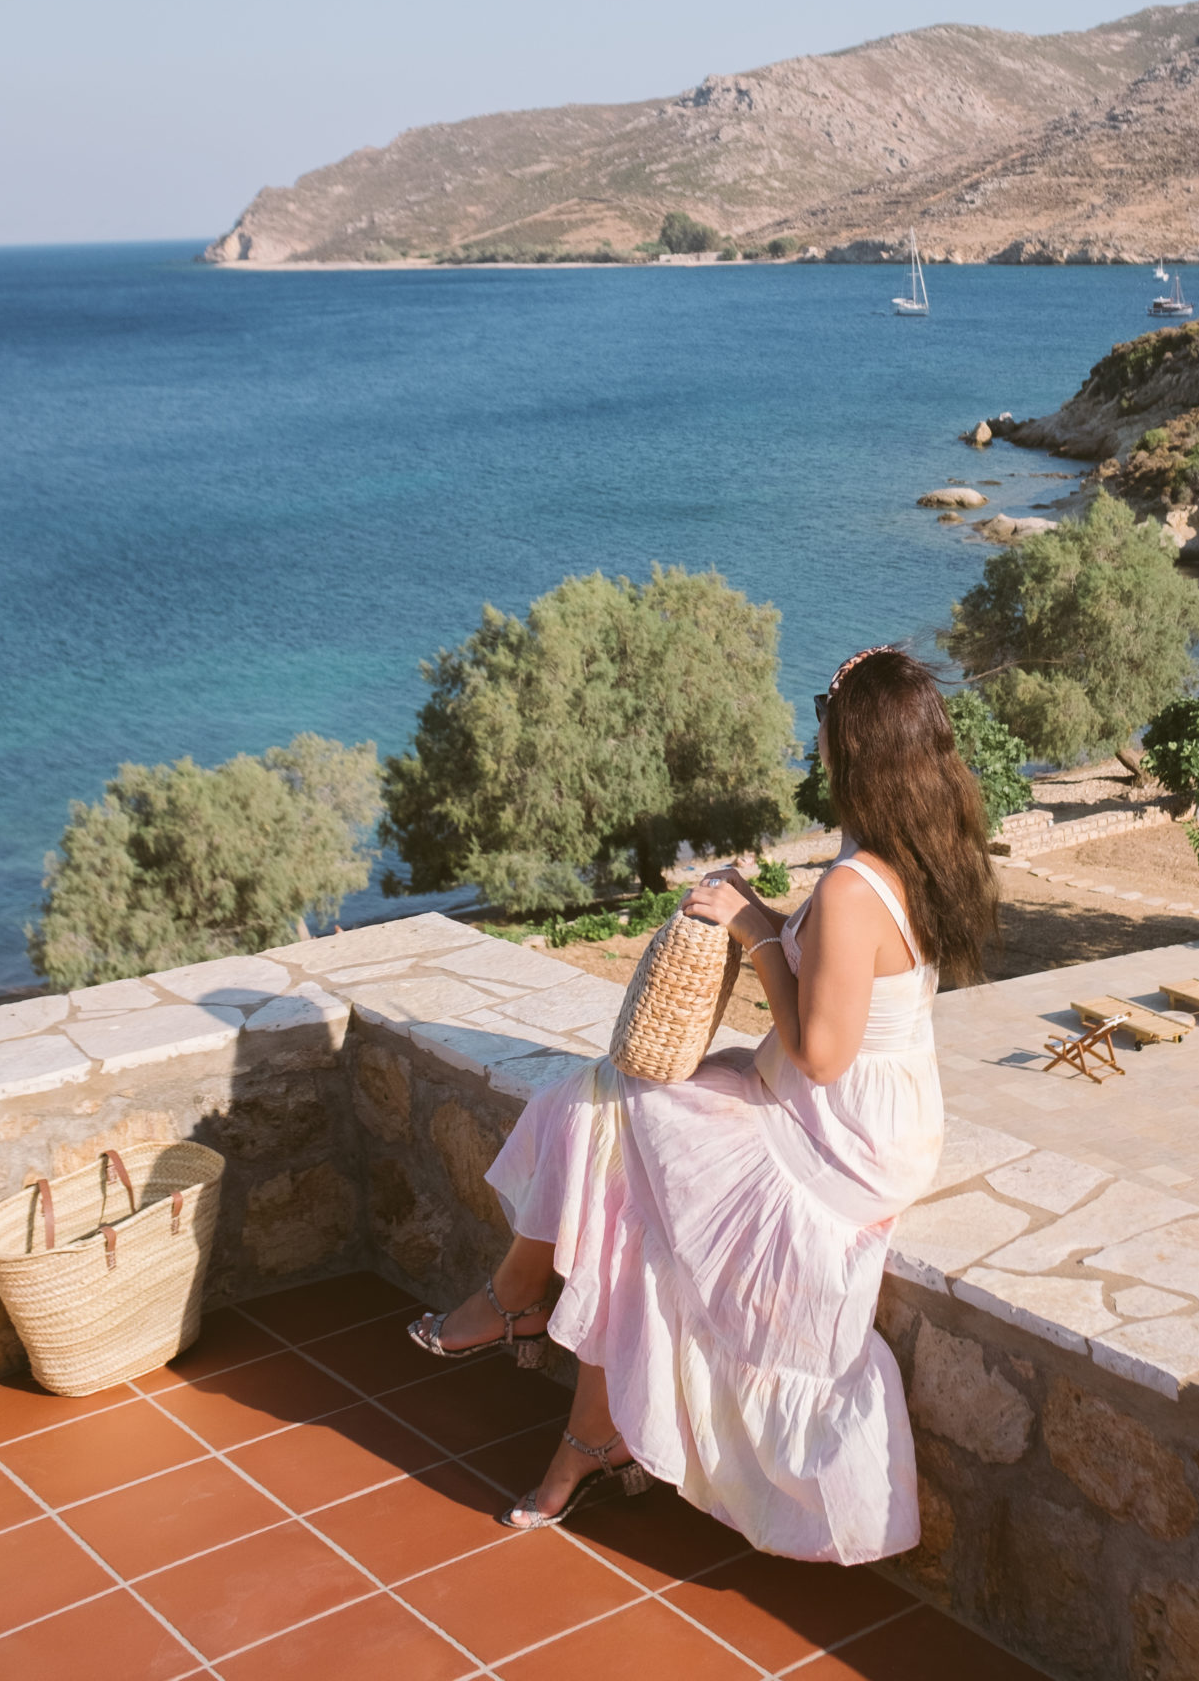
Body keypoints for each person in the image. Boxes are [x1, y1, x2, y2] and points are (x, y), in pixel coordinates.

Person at [407, 645, 998, 1562]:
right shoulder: (916, 845)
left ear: (853, 748)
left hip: (834, 1131)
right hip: (868, 1111)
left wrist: (755, 928)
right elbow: (844, 995)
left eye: (824, 718)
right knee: (610, 1139)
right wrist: (767, 914)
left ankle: (524, 1316)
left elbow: (823, 1054)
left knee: (608, 1126)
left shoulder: (854, 886)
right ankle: (572, 1404)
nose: (813, 734)